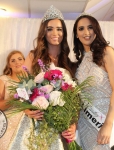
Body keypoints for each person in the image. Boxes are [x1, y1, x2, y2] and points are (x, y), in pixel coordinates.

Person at [9, 5, 76, 150]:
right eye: (50, 29)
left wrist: (73, 123)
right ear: (43, 32)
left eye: (59, 29)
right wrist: (27, 110)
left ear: (63, 32)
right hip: (37, 124)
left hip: (60, 127)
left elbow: (74, 100)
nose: (55, 33)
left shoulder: (68, 63)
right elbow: (21, 92)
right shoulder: (33, 57)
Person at [73, 13, 114, 150]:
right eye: (81, 29)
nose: (86, 32)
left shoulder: (107, 52)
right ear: (76, 34)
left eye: (90, 27)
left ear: (96, 30)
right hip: (85, 123)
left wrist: (108, 123)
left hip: (103, 121)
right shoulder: (80, 61)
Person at [0, 50, 25, 150]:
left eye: (20, 59)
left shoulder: (33, 81)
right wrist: (13, 98)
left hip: (28, 122)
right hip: (9, 124)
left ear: (24, 61)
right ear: (9, 65)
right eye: (13, 61)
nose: (17, 62)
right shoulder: (4, 79)